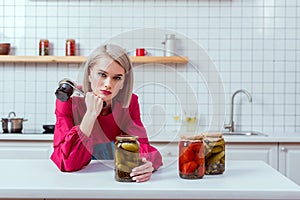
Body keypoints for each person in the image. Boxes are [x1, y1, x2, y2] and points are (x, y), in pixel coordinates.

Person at [51, 44, 163, 182]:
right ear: (90, 73)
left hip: (113, 178)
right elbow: (67, 163)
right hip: (78, 181)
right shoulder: (69, 101)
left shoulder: (129, 103)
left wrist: (148, 164)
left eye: (117, 78)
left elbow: (146, 149)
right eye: (102, 75)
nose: (108, 84)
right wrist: (91, 114)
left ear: (123, 82)